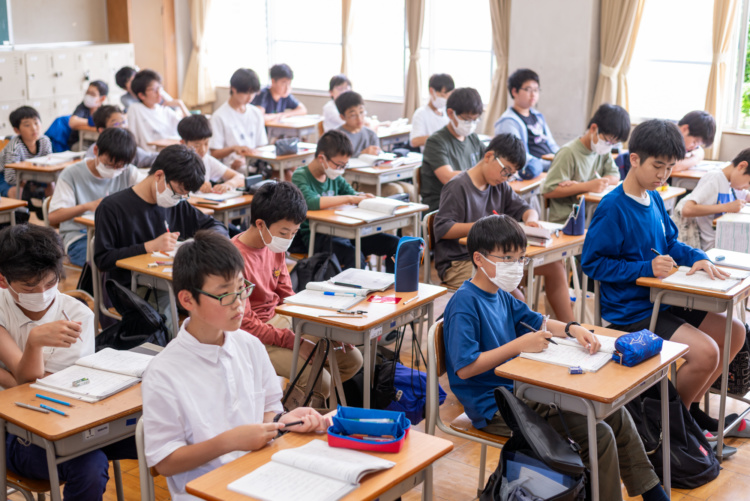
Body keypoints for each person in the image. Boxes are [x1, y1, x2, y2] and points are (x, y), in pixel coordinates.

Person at [443, 214, 670, 501]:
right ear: (479, 258)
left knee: (615, 413)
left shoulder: (499, 293)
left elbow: (535, 319)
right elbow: (464, 369)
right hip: (494, 406)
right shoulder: (465, 303)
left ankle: (653, 492)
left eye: (520, 258)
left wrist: (573, 329)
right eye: (507, 258)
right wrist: (518, 346)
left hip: (521, 391)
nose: (516, 266)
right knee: (597, 434)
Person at [581, 119, 747, 439]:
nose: (663, 175)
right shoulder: (613, 207)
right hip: (631, 311)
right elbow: (593, 264)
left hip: (662, 299)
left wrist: (697, 257)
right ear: (634, 159)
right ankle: (671, 429)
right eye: (657, 166)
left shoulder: (654, 197)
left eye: (670, 167)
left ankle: (691, 413)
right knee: (706, 352)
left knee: (734, 331)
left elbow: (670, 243)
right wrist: (645, 268)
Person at [142, 230, 328, 500]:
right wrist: (229, 442)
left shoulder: (249, 346)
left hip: (260, 473)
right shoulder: (163, 372)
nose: (239, 304)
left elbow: (268, 413)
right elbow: (165, 462)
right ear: (187, 300)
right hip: (206, 491)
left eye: (241, 289)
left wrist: (284, 421)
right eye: (224, 295)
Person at [0, 224, 135, 501]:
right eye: (29, 286)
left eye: (50, 283)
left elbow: (50, 385)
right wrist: (36, 342)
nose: (41, 292)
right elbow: (31, 383)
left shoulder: (77, 315)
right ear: (3, 280)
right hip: (12, 430)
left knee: (152, 435)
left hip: (67, 419)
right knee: (89, 464)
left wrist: (6, 376)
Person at [232, 182, 362, 400]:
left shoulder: (274, 245)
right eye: (284, 232)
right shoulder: (235, 258)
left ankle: (291, 399)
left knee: (351, 359)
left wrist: (325, 328)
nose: (288, 239)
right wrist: (295, 342)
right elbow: (245, 323)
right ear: (260, 224)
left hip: (281, 320)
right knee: (320, 381)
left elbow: (288, 296)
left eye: (293, 232)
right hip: (251, 335)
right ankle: (287, 416)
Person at [434, 133, 575, 322]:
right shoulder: (457, 186)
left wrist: (531, 219)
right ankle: (519, 342)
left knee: (555, 267)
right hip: (461, 262)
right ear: (489, 156)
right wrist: (483, 226)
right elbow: (442, 228)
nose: (506, 177)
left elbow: (525, 208)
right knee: (515, 297)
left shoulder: (499, 186)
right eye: (505, 171)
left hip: (498, 259)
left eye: (511, 174)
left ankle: (571, 328)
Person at [94, 145, 228, 330]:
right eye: (179, 191)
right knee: (166, 317)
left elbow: (217, 227)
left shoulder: (176, 202)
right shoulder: (112, 208)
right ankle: (169, 356)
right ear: (159, 176)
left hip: (172, 281)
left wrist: (197, 245)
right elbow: (103, 259)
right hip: (130, 288)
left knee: (219, 298)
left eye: (185, 195)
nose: (181, 198)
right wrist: (148, 247)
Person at [291, 130, 400, 272]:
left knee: (396, 245)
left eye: (344, 165)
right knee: (355, 257)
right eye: (339, 165)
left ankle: (396, 290)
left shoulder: (333, 176)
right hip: (318, 237)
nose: (341, 170)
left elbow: (352, 194)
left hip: (345, 232)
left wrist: (362, 197)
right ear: (322, 158)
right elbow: (311, 202)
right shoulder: (300, 176)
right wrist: (350, 198)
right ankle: (354, 293)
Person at [50, 127, 139, 266]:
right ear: (96, 151)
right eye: (109, 164)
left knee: (135, 256)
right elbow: (54, 217)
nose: (115, 170)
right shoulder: (71, 174)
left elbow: (147, 197)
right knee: (108, 262)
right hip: (80, 236)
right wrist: (87, 206)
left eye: (120, 166)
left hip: (117, 235)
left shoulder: (129, 172)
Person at [542, 104, 630, 224]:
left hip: (591, 214)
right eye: (609, 140)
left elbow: (615, 176)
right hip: (568, 220)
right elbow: (548, 190)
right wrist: (588, 186)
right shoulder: (568, 153)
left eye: (614, 143)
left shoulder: (602, 150)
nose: (610, 145)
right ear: (593, 128)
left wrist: (596, 184)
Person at [420, 87, 484, 213]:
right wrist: (483, 175)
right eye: (466, 119)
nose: (471, 124)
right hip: (444, 207)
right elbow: (448, 178)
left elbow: (489, 162)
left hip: (470, 201)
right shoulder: (436, 141)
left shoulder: (473, 138)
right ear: (450, 113)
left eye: (475, 120)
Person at [678, 148, 750, 251]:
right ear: (741, 166)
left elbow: (747, 196)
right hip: (712, 246)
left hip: (725, 238)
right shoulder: (714, 178)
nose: (746, 187)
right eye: (749, 182)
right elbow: (687, 210)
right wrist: (726, 207)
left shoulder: (733, 183)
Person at [494, 68, 559, 176]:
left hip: (550, 166)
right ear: (514, 91)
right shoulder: (508, 122)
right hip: (535, 170)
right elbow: (520, 157)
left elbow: (552, 144)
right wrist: (552, 164)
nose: (533, 94)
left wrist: (563, 157)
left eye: (536, 90)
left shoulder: (537, 116)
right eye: (528, 89)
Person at [209, 68, 268, 171]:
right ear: (233, 89)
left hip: (255, 163)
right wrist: (233, 148)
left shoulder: (256, 113)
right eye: (246, 92)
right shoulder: (219, 116)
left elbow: (262, 146)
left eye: (253, 92)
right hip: (231, 168)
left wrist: (249, 158)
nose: (250, 97)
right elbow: (214, 153)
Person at [177, 114, 244, 194]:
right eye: (196, 145)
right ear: (183, 143)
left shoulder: (206, 159)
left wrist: (229, 184)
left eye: (206, 143)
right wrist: (196, 186)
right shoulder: (176, 162)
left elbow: (240, 177)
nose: (203, 150)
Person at [126, 69, 188, 151]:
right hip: (152, 156)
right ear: (141, 95)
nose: (159, 93)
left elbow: (191, 128)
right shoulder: (135, 109)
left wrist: (181, 104)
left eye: (160, 88)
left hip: (173, 151)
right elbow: (132, 140)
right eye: (154, 90)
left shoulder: (164, 109)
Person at [0, 106, 53, 199]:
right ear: (17, 130)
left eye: (36, 123)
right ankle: (20, 212)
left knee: (53, 184)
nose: (34, 128)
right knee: (15, 192)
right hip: (5, 176)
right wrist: (26, 181)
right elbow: (10, 177)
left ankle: (47, 211)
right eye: (27, 125)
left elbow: (49, 165)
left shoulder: (45, 141)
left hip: (31, 175)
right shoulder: (15, 146)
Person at [84, 105, 158, 168]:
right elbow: (90, 169)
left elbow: (151, 158)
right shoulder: (96, 150)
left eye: (123, 122)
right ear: (102, 130)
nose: (123, 126)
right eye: (116, 124)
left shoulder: (129, 147)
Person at [410, 73, 455, 151]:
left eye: (449, 95)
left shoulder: (448, 112)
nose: (446, 98)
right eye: (444, 94)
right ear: (432, 91)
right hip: (432, 156)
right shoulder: (421, 113)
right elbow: (414, 141)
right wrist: (442, 137)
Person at [115, 65, 184, 114]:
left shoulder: (157, 91)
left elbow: (175, 107)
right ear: (125, 87)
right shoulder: (127, 100)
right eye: (131, 80)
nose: (136, 81)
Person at [335, 91, 380, 157]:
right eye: (353, 115)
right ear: (342, 117)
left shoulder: (371, 134)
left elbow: (377, 157)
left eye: (361, 112)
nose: (359, 118)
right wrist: (362, 154)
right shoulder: (337, 138)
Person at [68, 80, 108, 149]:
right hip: (79, 142)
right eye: (87, 92)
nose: (89, 96)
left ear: (102, 98)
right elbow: (72, 122)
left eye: (93, 94)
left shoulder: (103, 110)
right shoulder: (82, 107)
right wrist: (92, 122)